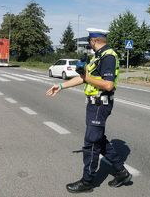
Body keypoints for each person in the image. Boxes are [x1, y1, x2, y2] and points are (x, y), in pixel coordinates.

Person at [46, 28, 132, 193]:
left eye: (89, 42)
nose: (89, 45)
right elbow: (82, 78)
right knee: (98, 141)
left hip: (100, 104)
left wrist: (86, 78)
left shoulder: (108, 56)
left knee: (91, 144)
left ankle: (87, 182)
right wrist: (61, 86)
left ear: (94, 41)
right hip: (94, 104)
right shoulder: (97, 57)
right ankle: (122, 173)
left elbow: (108, 85)